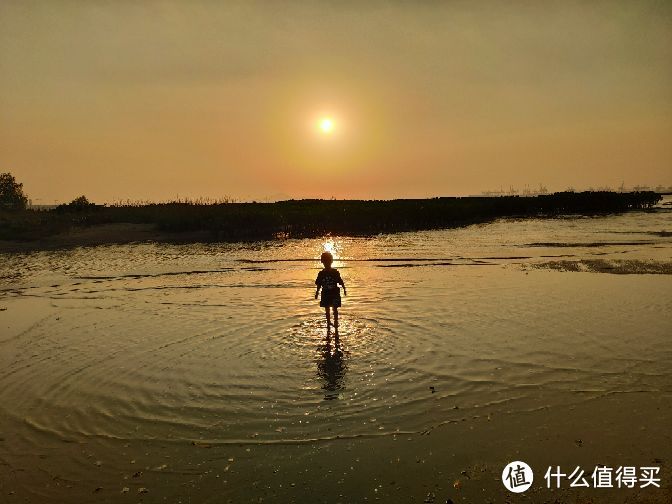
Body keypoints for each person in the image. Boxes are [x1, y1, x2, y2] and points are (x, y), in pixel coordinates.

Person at [315, 251, 346, 332]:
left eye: (328, 261)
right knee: (327, 309)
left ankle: (335, 322)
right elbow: (319, 284)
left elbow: (340, 281)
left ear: (331, 261)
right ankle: (329, 322)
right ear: (322, 262)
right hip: (325, 293)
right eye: (325, 261)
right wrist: (317, 293)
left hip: (334, 293)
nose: (327, 263)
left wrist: (344, 289)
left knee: (335, 309)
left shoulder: (335, 272)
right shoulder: (321, 273)